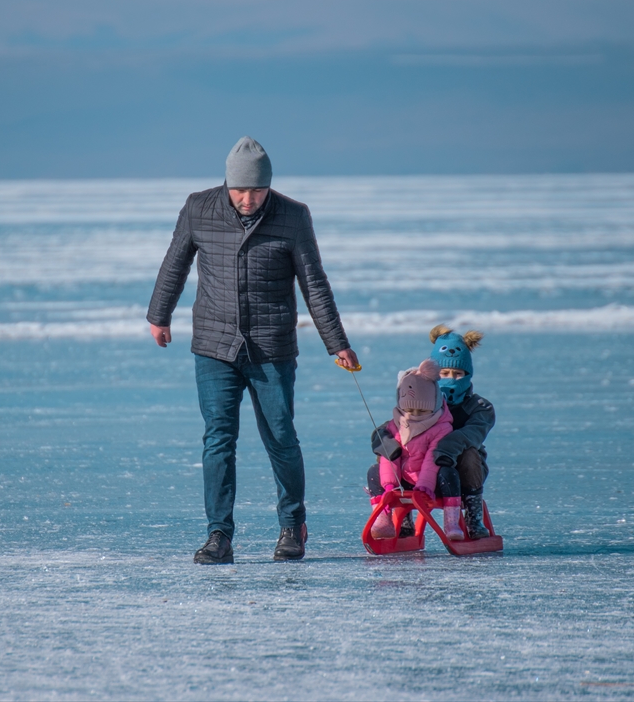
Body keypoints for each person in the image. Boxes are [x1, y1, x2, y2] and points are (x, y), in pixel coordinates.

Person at [147, 136, 359, 564]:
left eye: (256, 191)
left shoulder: (293, 216)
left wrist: (337, 343)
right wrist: (159, 315)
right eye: (240, 190)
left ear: (268, 186)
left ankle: (291, 527)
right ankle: (218, 535)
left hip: (271, 346)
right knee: (218, 440)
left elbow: (313, 283)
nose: (247, 199)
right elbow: (175, 262)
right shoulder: (198, 207)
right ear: (227, 183)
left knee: (281, 437)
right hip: (214, 344)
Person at [368, 325, 493, 540]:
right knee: (385, 460)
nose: (451, 380)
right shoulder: (422, 400)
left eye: (458, 373)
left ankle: (473, 515)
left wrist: (444, 447)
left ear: (468, 374)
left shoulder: (480, 407)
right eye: (444, 373)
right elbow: (398, 421)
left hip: (458, 472)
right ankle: (401, 516)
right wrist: (383, 438)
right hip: (417, 467)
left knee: (470, 455)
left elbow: (472, 434)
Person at [368, 359, 462, 539]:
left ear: (434, 406)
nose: (416, 416)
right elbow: (390, 456)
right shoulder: (394, 426)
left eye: (422, 411)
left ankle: (451, 523)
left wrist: (425, 486)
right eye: (411, 410)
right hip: (402, 480)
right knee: (374, 471)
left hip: (430, 484)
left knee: (449, 474)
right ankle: (383, 519)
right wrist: (389, 485)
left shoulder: (441, 428)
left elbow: (433, 459)